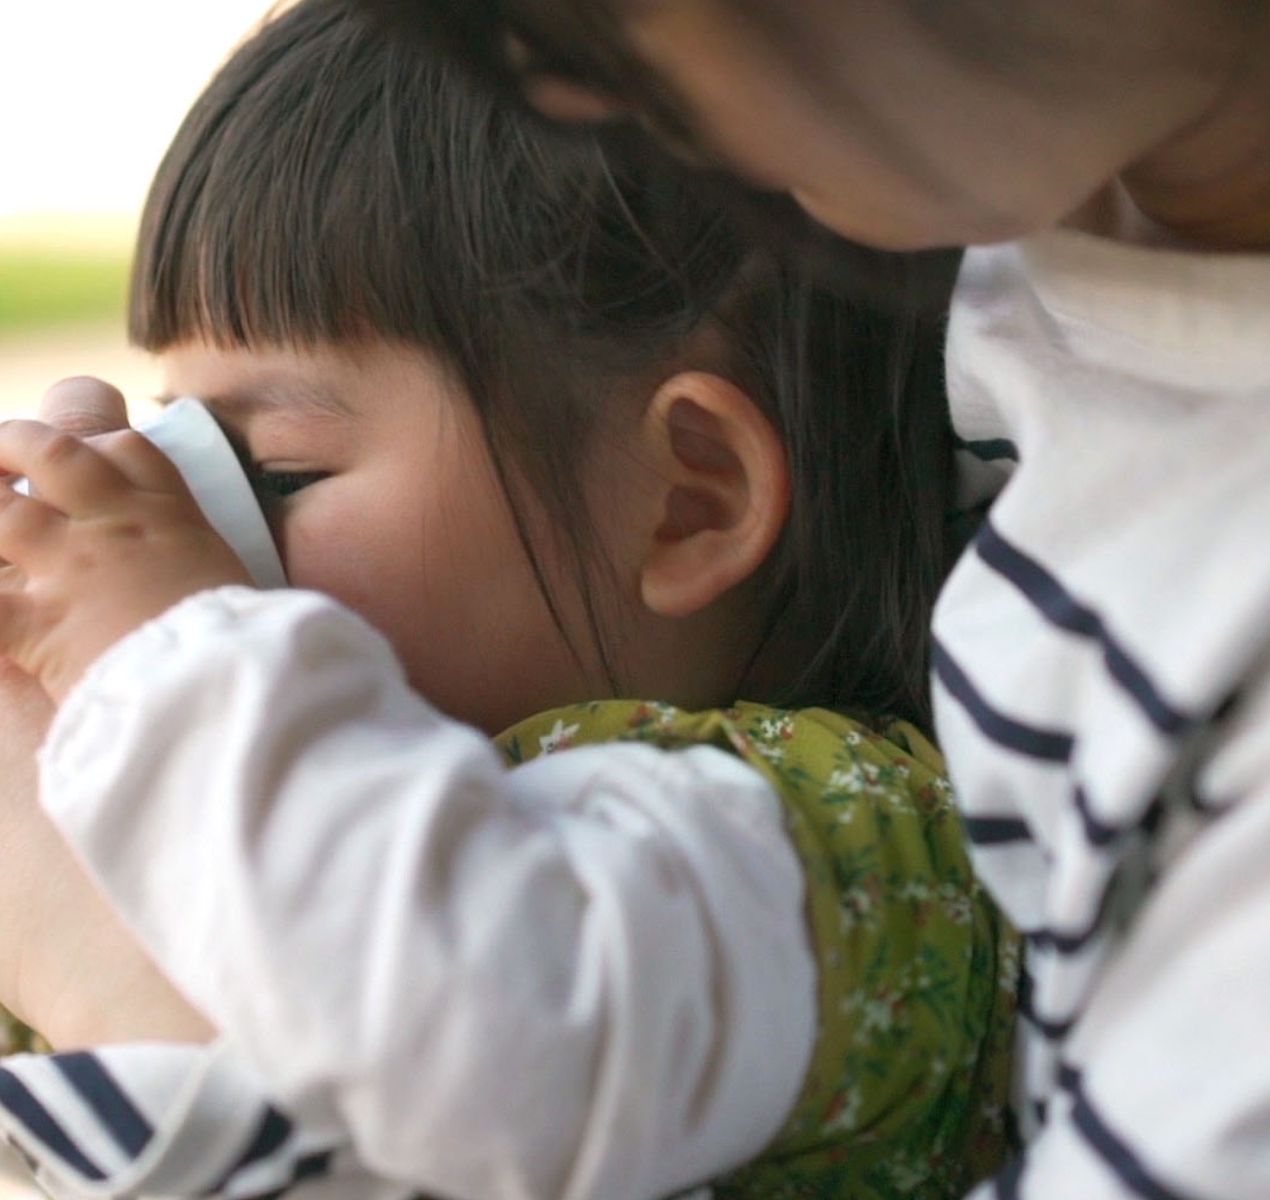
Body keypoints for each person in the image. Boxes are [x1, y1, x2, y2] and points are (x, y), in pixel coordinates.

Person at [0, 2, 1016, 1198]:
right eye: (177, 438)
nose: (187, 532)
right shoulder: (317, 798)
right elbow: (45, 1100)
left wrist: (154, 657)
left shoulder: (836, 842)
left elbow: (467, 1025)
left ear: (685, 499)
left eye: (271, 472)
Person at [335, 1, 1270, 1196]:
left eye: (588, 23)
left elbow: (458, 1045)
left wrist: (146, 734)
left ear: (693, 498)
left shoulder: (787, 850)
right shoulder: (1004, 242)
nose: (558, 95)